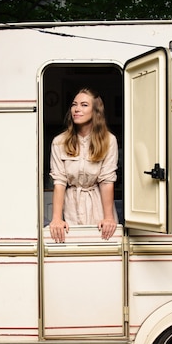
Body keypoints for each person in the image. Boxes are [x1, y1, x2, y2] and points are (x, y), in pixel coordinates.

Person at [49, 88, 118, 243]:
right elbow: (59, 182)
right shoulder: (59, 141)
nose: (77, 109)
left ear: (95, 111)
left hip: (98, 205)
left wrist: (108, 218)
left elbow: (107, 181)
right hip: (71, 206)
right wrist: (57, 219)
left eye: (84, 105)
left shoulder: (109, 140)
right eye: (74, 104)